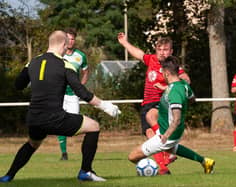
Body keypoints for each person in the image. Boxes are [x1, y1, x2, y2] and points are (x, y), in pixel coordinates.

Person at [0, 30, 121, 183]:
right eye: (66, 46)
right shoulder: (65, 64)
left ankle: (8, 176)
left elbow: (18, 85)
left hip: (34, 118)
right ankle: (86, 171)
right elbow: (82, 92)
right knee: (94, 126)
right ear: (63, 45)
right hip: (54, 118)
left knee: (33, 143)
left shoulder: (33, 62)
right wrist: (105, 106)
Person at [118, 32, 190, 175]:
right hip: (147, 103)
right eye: (159, 49)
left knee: (151, 118)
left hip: (161, 103)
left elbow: (186, 80)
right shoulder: (151, 60)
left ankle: (163, 163)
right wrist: (124, 43)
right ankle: (165, 160)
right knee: (150, 134)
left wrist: (168, 88)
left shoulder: (172, 67)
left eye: (165, 50)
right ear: (156, 49)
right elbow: (138, 54)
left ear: (171, 51)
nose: (162, 53)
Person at [128, 56, 215, 174]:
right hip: (167, 130)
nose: (162, 74)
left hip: (167, 133)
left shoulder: (175, 92)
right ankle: (205, 161)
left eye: (162, 72)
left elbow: (177, 119)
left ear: (167, 72)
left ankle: (151, 169)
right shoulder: (182, 84)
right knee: (172, 148)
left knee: (132, 157)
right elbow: (192, 98)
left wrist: (165, 135)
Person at [57, 28, 89, 161]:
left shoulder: (80, 56)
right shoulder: (57, 54)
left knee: (74, 124)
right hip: (58, 94)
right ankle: (64, 153)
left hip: (73, 95)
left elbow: (86, 72)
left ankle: (88, 141)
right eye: (68, 38)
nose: (70, 41)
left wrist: (80, 88)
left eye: (72, 39)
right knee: (59, 122)